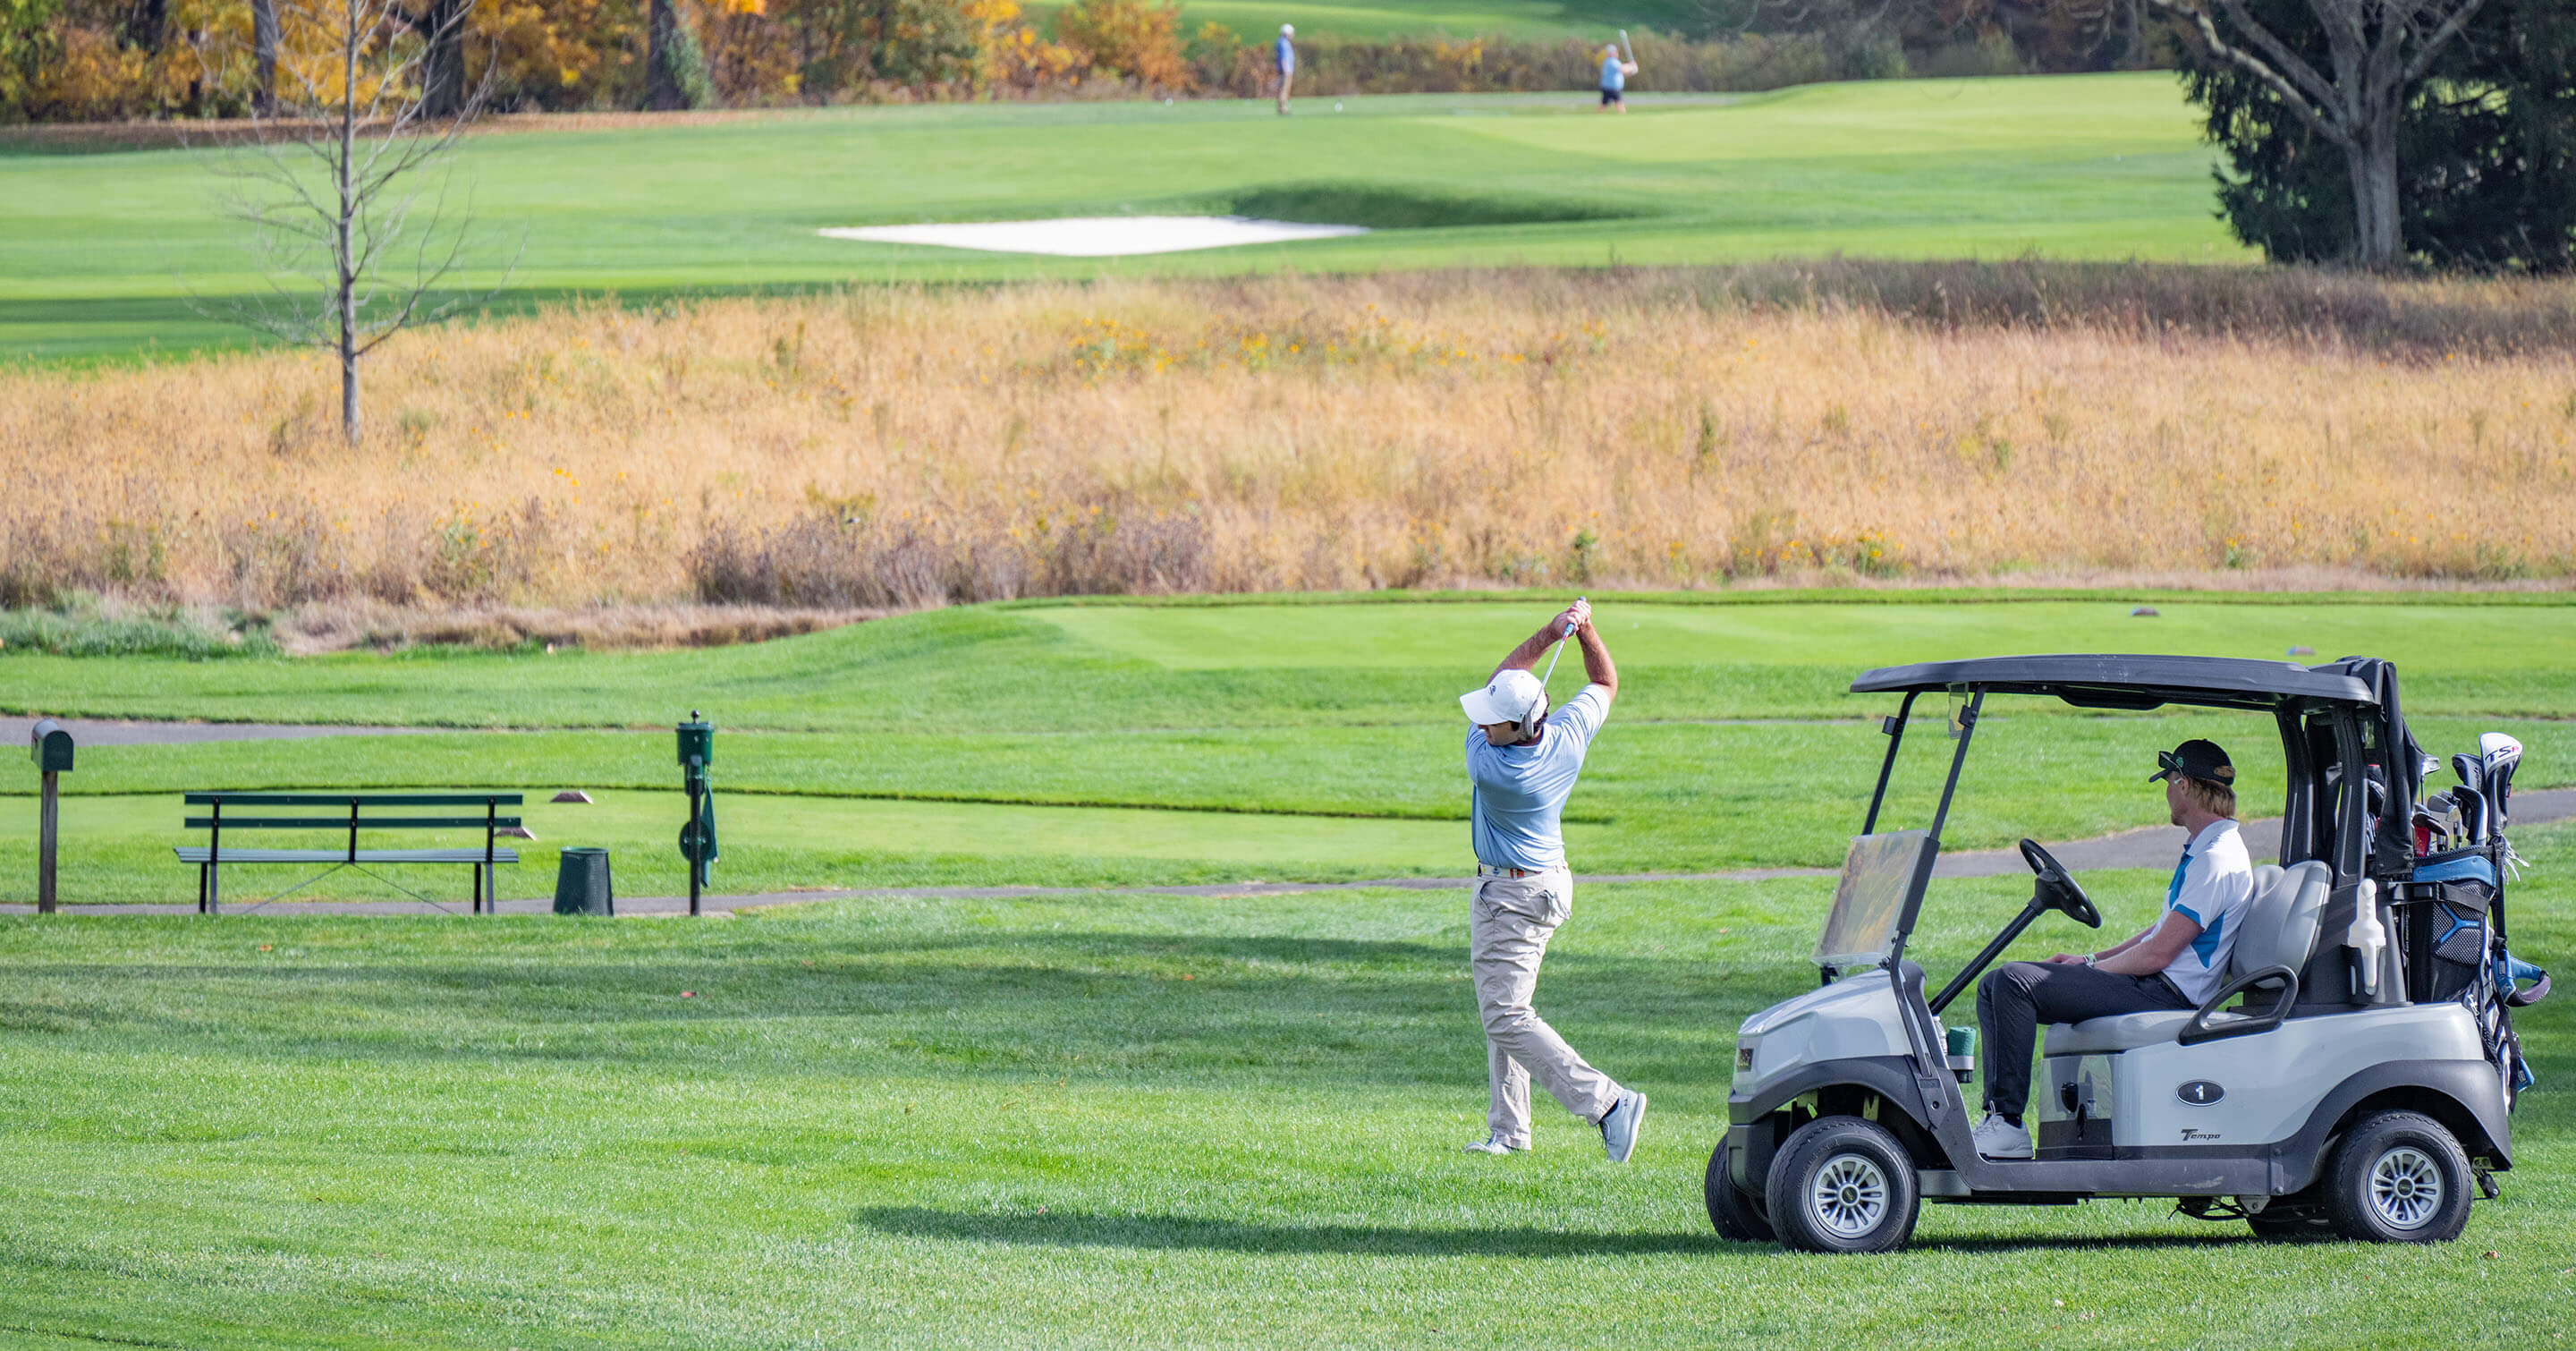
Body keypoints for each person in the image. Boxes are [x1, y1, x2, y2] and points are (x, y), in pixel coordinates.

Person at [1970, 739, 2255, 1160]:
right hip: (2154, 981)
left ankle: (2008, 1126)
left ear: (2187, 786)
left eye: (2170, 781)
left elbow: (2159, 954)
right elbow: (2156, 933)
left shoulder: (2217, 858)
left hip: (2166, 991)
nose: (2166, 792)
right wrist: (2088, 961)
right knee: (1994, 984)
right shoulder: (2206, 851)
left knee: (2015, 982)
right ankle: (1998, 1119)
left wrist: (2096, 974)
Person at [1456, 599, 1648, 1162]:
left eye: (1492, 719)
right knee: (1505, 1006)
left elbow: (1501, 677)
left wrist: (1548, 632)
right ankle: (1509, 1130)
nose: (1481, 723)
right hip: (1543, 884)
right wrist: (1584, 631)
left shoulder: (1491, 765)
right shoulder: (1564, 735)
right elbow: (1605, 681)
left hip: (1511, 897)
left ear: (1516, 729)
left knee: (1506, 1014)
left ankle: (1609, 1104)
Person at [1597, 42, 1637, 112]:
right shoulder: (1611, 61)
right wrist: (1632, 66)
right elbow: (1622, 69)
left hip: (1610, 87)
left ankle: (1597, 116)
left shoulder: (1612, 61)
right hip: (1611, 88)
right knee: (1619, 104)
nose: (1616, 53)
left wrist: (1631, 69)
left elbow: (1622, 73)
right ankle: (1623, 117)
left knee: (1604, 104)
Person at [1273, 24, 1295, 115]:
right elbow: (1284, 57)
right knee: (1284, 89)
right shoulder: (1284, 43)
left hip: (1285, 69)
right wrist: (1286, 70)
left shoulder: (1281, 41)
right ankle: (1282, 108)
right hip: (1286, 70)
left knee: (1283, 89)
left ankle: (1282, 107)